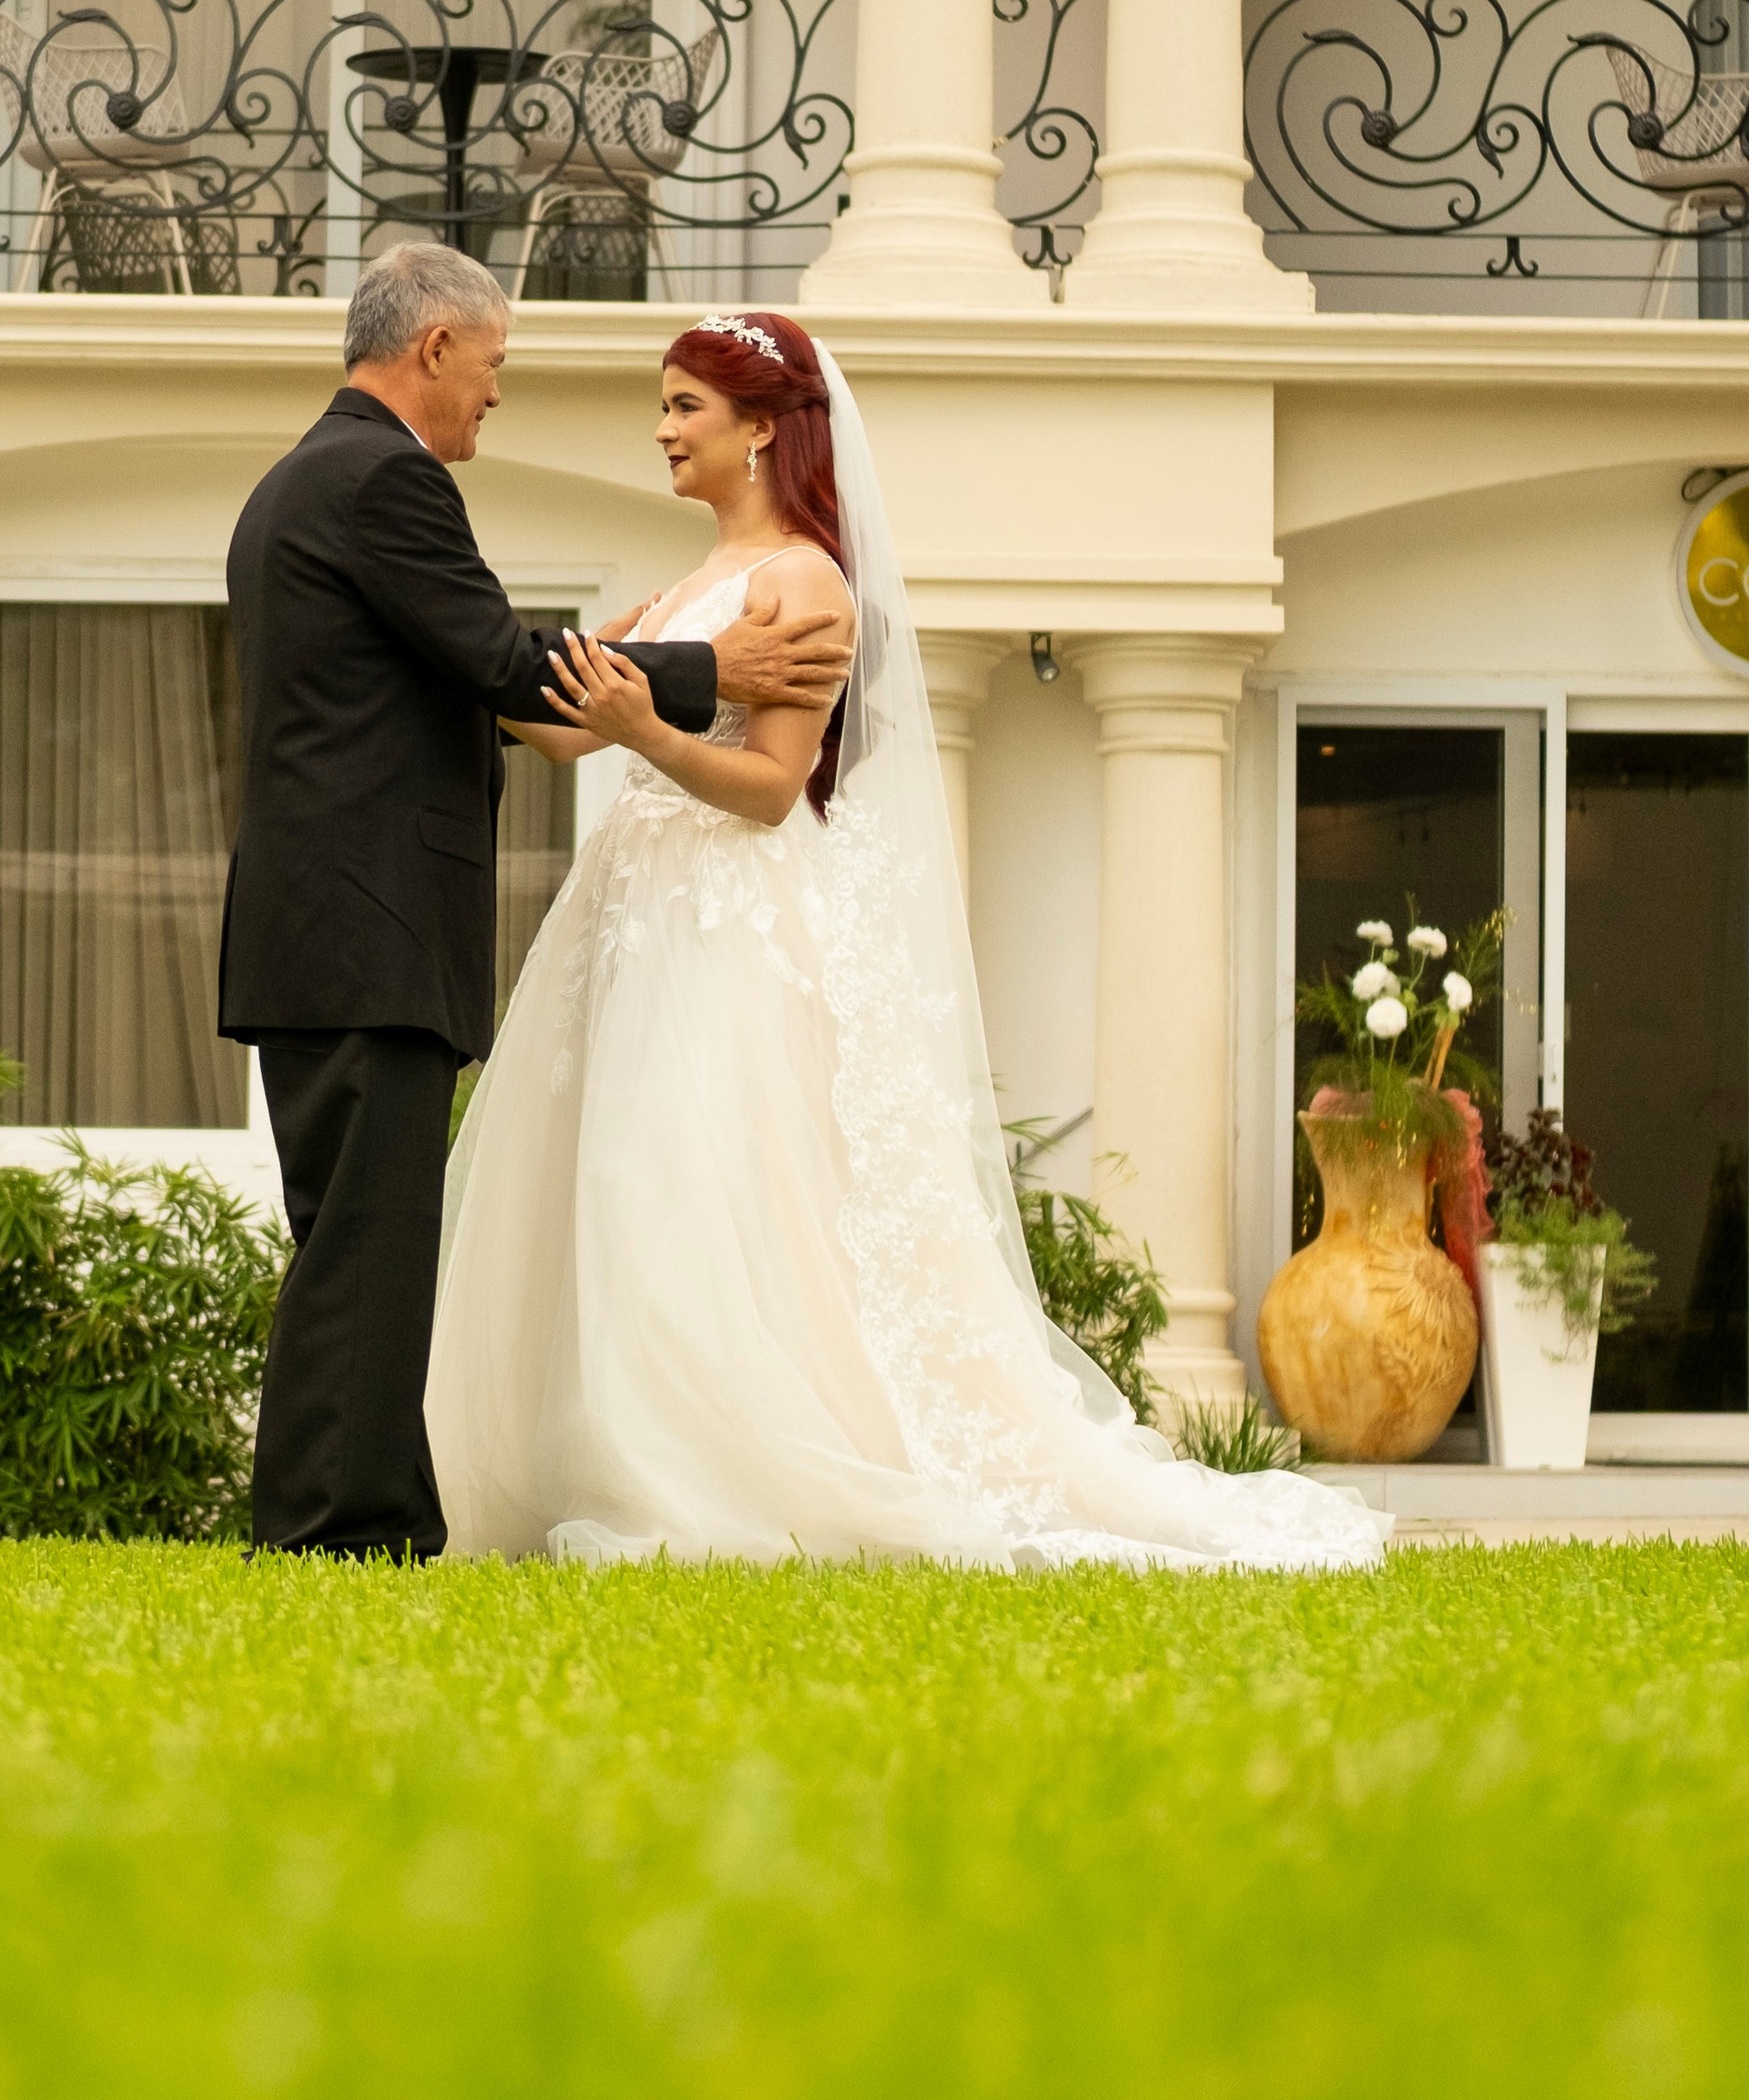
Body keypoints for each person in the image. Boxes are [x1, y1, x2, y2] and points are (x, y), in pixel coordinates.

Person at [427, 311, 1386, 1574]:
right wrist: (469, 660)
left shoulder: (805, 583)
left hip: (727, 924)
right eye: (661, 406)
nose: (661, 428)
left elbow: (772, 784)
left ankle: (705, 1472)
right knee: (611, 1179)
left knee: (687, 1177)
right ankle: (601, 1454)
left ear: (761, 425)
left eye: (684, 407)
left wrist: (648, 733)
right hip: (632, 920)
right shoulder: (677, 587)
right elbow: (563, 725)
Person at [221, 243, 857, 1563]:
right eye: (494, 366)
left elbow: (493, 690)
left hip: (316, 928)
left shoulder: (302, 480)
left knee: (358, 1240)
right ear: (436, 347)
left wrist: (646, 673)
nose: (496, 397)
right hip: (369, 926)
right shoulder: (383, 478)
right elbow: (506, 665)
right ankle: (332, 1526)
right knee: (365, 1241)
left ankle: (373, 1511)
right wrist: (710, 663)